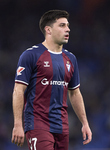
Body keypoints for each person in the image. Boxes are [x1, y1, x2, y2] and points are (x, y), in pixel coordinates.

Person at [11, 10, 92, 150]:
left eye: (67, 25)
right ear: (48, 30)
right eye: (62, 25)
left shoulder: (70, 59)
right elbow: (18, 90)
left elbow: (75, 93)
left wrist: (85, 123)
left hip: (62, 126)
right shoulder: (31, 55)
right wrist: (18, 124)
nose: (68, 29)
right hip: (37, 124)